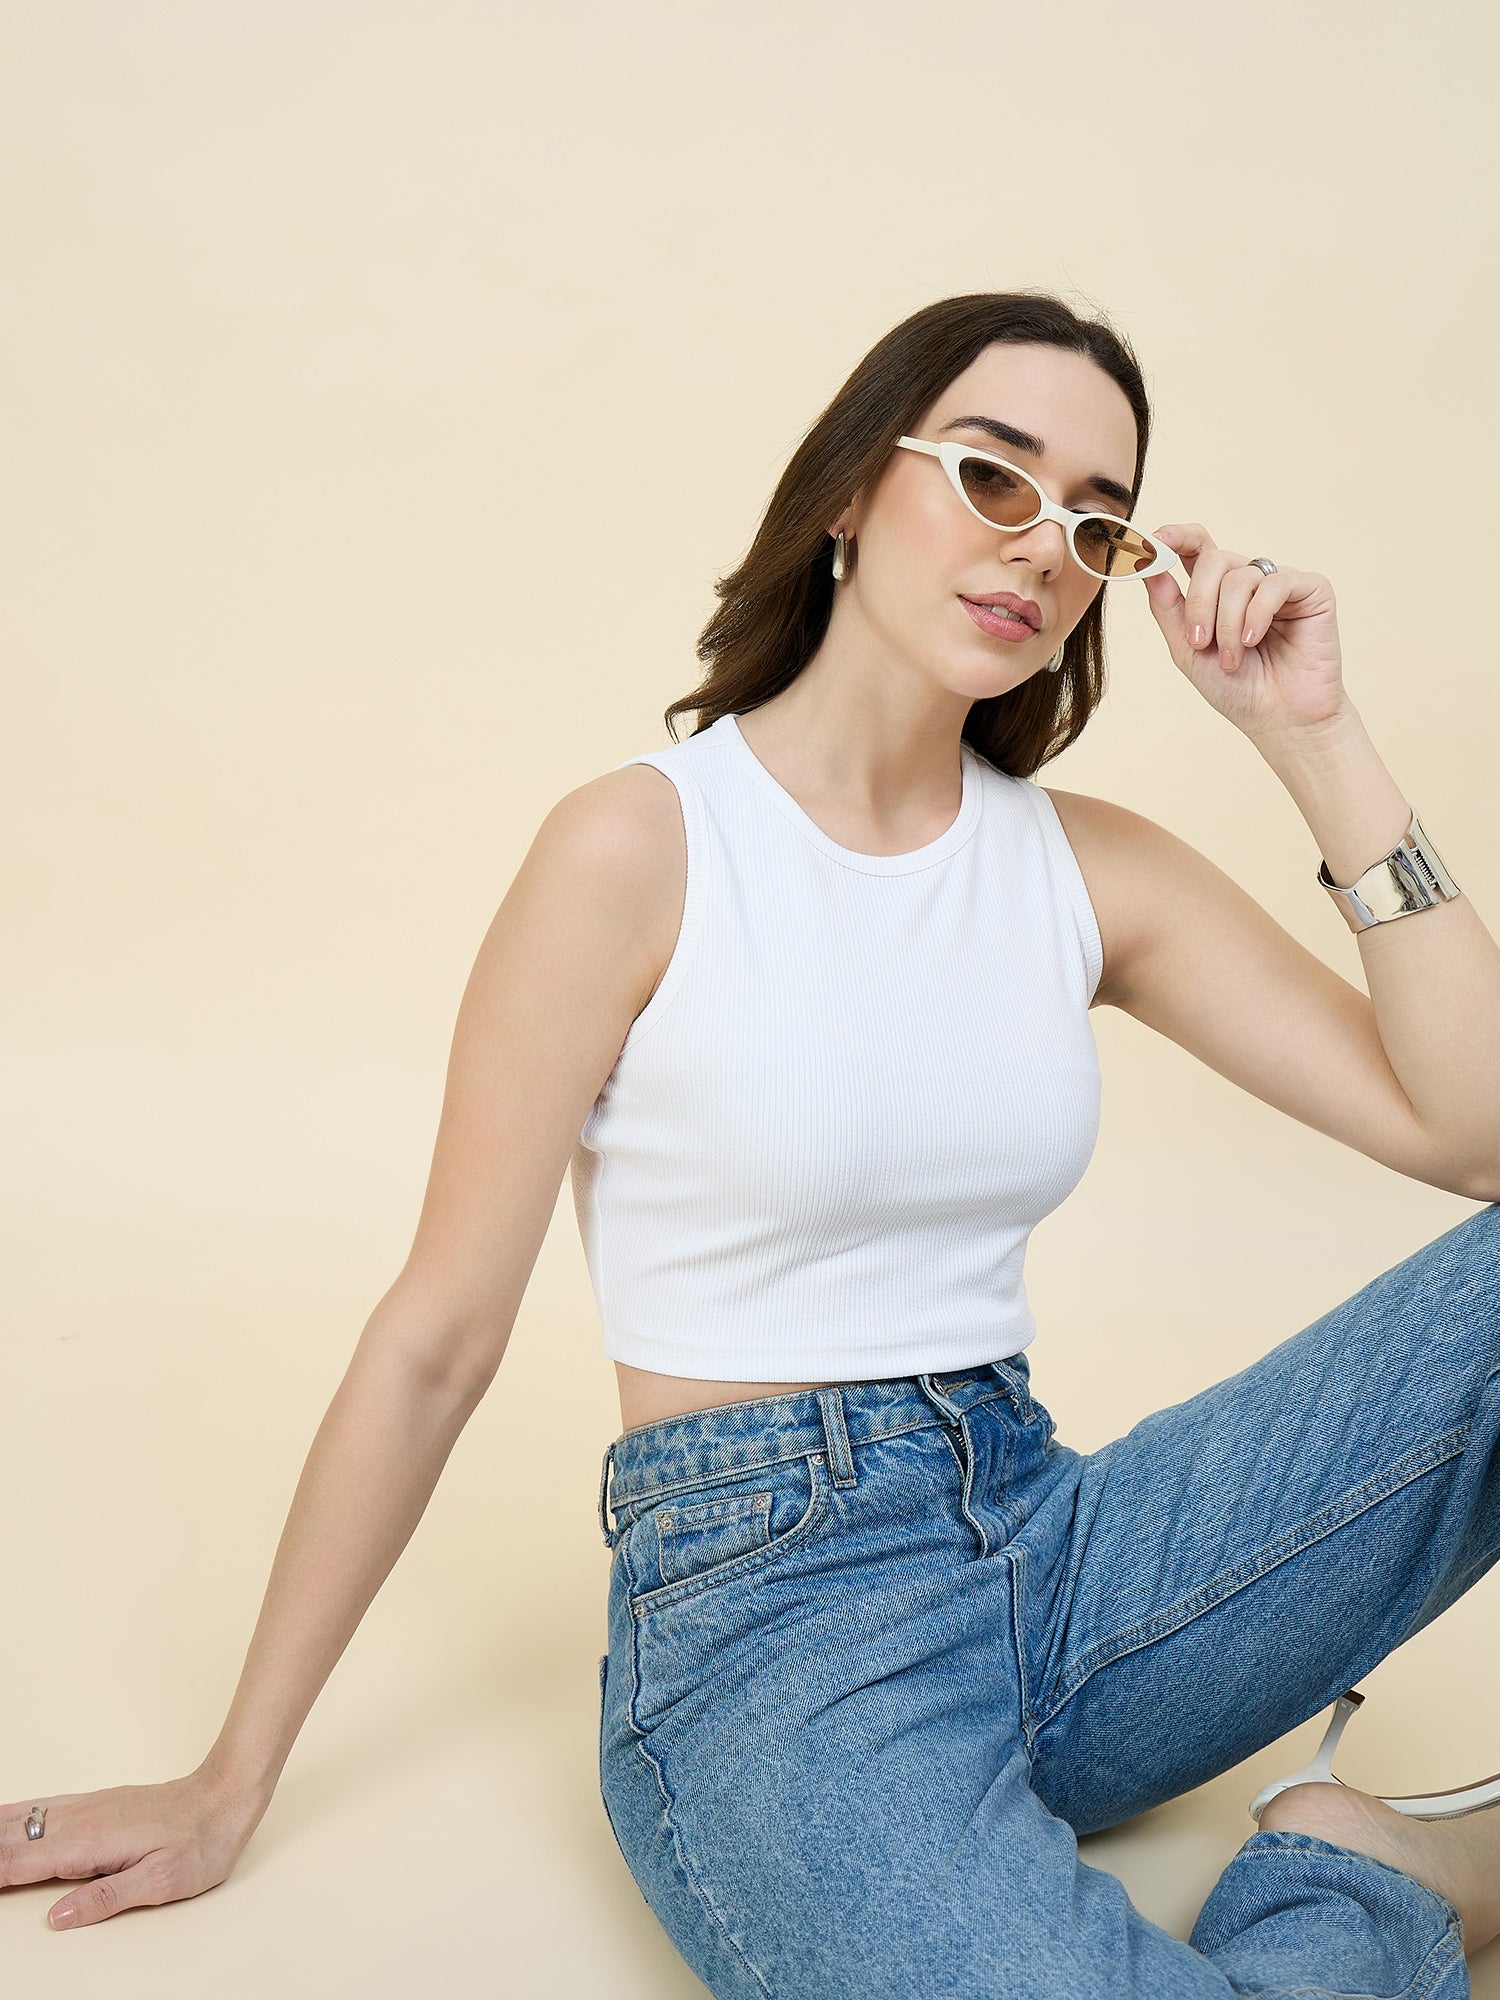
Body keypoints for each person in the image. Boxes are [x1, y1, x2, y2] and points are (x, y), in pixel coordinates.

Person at [5, 292, 1499, 1999]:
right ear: (852, 489)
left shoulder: (1087, 871)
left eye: (1097, 523)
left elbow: (1472, 1134)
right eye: (993, 476)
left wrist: (1311, 736)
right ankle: (1368, 1880)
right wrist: (227, 1781)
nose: (1042, 547)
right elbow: (436, 1337)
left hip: (1059, 1559)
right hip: (772, 1627)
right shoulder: (639, 850)